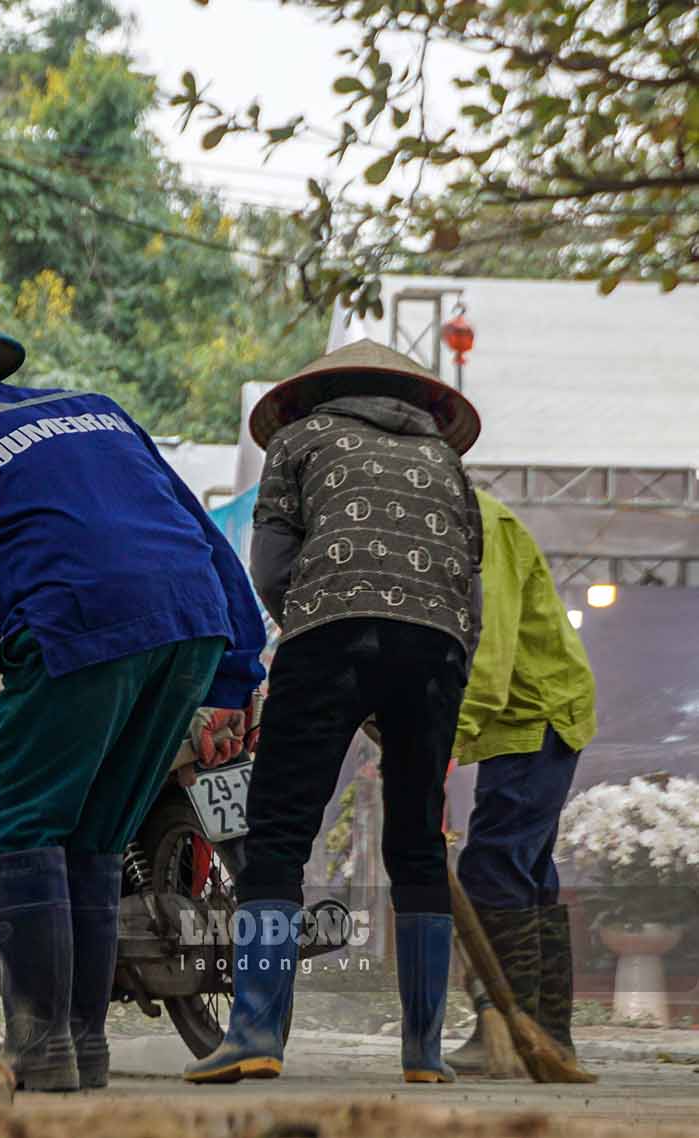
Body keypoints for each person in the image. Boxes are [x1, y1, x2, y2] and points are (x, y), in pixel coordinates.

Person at [0, 290, 267, 1092]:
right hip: (192, 623)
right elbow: (202, 537)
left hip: (80, 624)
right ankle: (80, 1051)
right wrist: (239, 667)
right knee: (92, 841)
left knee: (17, 826)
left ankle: (38, 1052)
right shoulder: (95, 411)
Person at [186, 340, 484, 1086]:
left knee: (279, 833)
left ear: (319, 393)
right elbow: (468, 592)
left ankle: (254, 1032)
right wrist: (429, 673)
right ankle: (422, 1053)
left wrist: (321, 625)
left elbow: (271, 570)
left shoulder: (298, 438)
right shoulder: (446, 464)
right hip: (437, 646)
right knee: (417, 843)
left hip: (329, 637)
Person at [445, 490, 596, 1071]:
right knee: (527, 873)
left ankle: (504, 1034)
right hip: (534, 710)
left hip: (537, 709)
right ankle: (548, 1036)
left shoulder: (480, 519)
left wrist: (447, 744)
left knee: (493, 867)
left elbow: (492, 648)